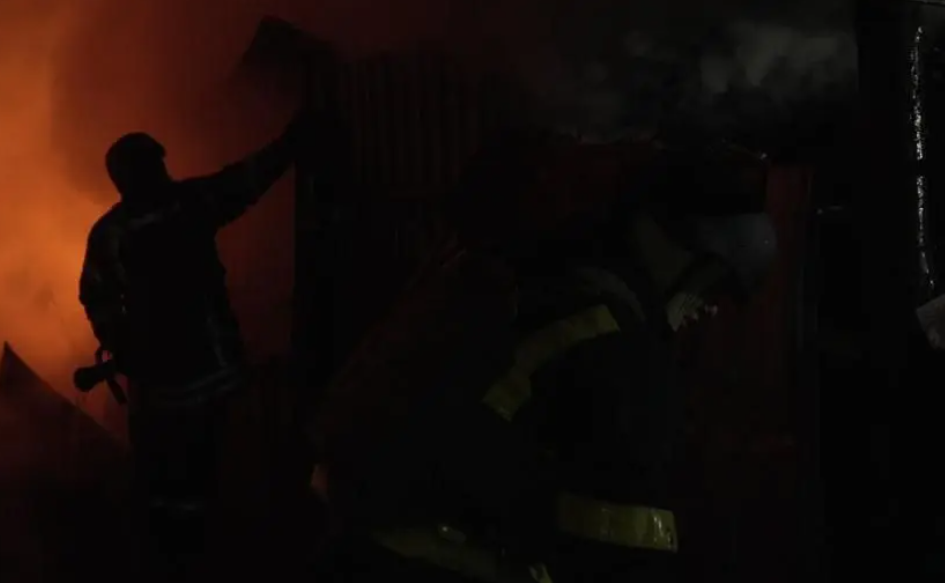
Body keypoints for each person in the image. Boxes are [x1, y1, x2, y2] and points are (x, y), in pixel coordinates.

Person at [308, 129, 774, 583]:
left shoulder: (533, 287)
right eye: (714, 284)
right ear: (678, 252)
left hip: (367, 553)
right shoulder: (616, 348)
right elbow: (623, 557)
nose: (710, 308)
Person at [77, 114, 309, 565]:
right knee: (213, 471)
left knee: (170, 478)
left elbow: (96, 296)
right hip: (209, 375)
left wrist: (121, 342)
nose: (160, 173)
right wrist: (288, 146)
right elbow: (242, 183)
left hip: (163, 386)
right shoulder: (187, 205)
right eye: (154, 166)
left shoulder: (112, 233)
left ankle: (177, 551)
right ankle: (214, 548)